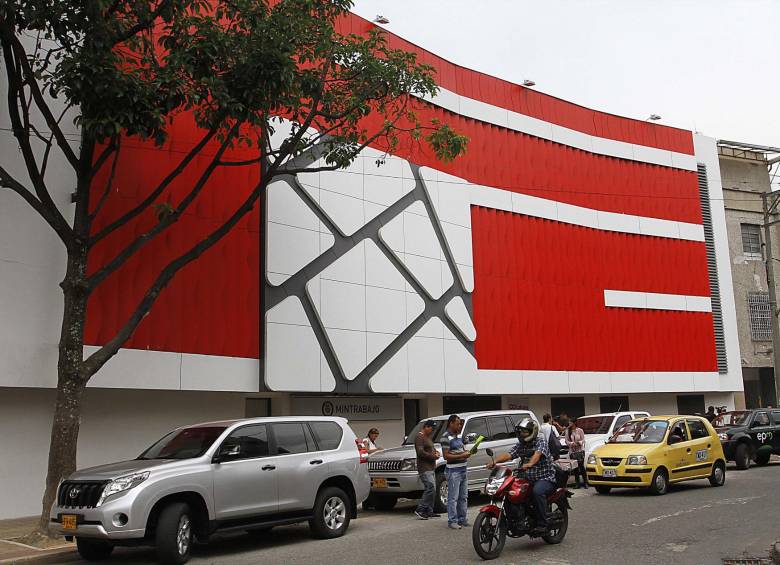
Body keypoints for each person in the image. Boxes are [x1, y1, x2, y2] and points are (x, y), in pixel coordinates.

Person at [487, 418, 556, 534]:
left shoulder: (541, 442)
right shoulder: (521, 445)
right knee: (510, 491)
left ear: (532, 432)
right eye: (520, 431)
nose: (521, 434)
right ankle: (516, 520)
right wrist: (495, 462)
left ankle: (542, 524)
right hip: (527, 478)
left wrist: (530, 464)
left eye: (524, 431)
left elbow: (537, 455)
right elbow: (509, 454)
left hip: (545, 478)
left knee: (537, 492)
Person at [440, 414, 471, 530]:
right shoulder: (445, 437)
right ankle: (452, 520)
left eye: (460, 424)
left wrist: (468, 452)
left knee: (463, 496)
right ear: (451, 423)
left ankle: (462, 519)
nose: (459, 426)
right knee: (453, 497)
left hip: (463, 469)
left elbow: (460, 450)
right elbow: (446, 455)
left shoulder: (458, 437)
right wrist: (463, 454)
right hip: (453, 471)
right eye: (457, 424)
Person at [414, 420, 441, 520]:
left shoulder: (427, 438)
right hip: (424, 467)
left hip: (431, 467)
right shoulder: (419, 437)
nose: (432, 431)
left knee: (433, 489)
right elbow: (420, 452)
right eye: (431, 428)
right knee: (430, 487)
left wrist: (436, 453)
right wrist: (432, 456)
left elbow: (431, 449)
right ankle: (421, 509)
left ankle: (429, 510)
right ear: (426, 427)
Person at [565, 420, 587, 489]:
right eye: (569, 423)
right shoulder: (568, 431)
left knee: (581, 467)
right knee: (575, 468)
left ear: (574, 423)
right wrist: (571, 444)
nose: (570, 424)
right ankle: (577, 483)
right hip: (573, 451)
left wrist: (579, 442)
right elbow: (566, 441)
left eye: (571, 423)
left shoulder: (580, 430)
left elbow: (583, 439)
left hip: (580, 450)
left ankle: (585, 482)